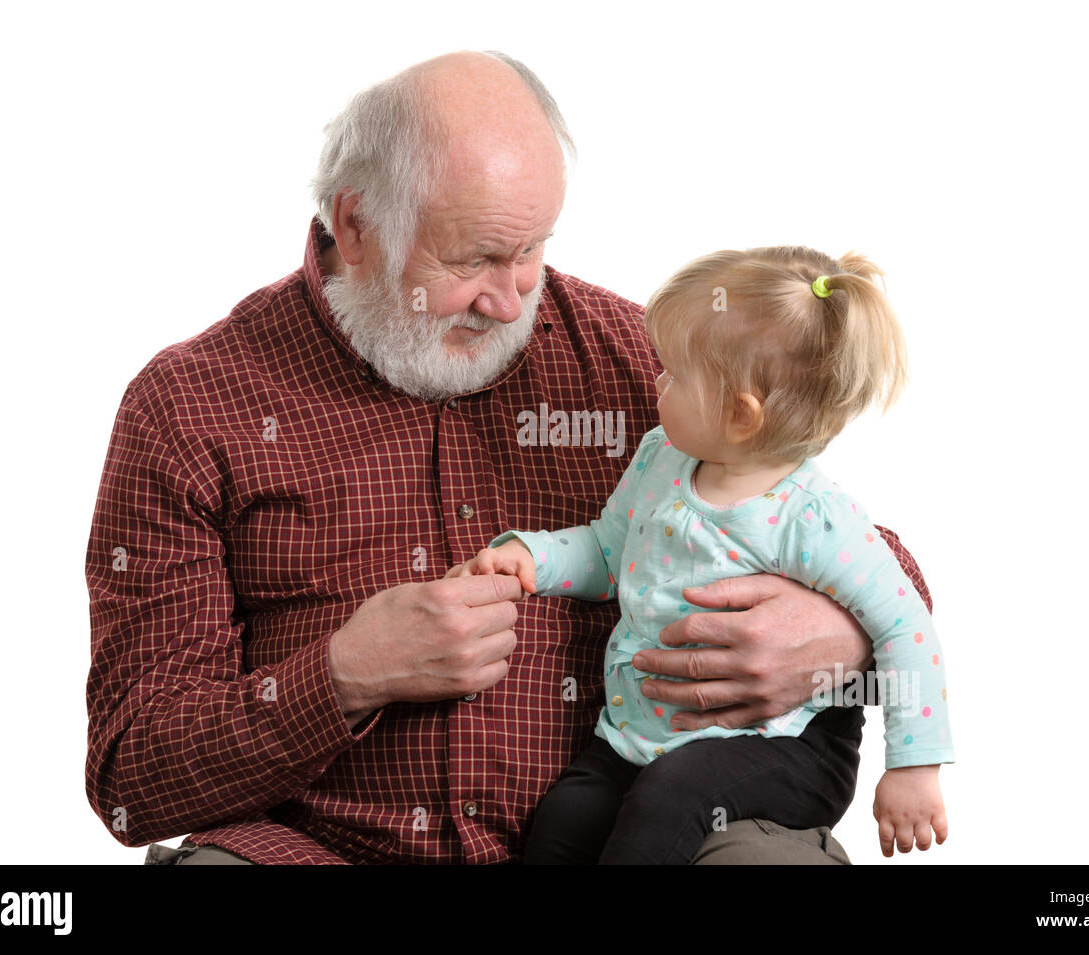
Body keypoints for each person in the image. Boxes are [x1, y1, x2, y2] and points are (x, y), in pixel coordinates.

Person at [85, 50, 933, 865]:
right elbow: (133, 775)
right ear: (357, 222)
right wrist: (344, 675)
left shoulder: (644, 366)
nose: (511, 295)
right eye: (475, 258)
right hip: (316, 851)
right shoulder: (188, 406)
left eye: (532, 248)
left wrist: (835, 636)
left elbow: (858, 553)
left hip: (638, 831)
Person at [450, 246, 953, 863]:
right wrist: (532, 557)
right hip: (644, 734)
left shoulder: (812, 516)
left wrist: (914, 766)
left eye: (675, 375)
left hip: (783, 748)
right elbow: (609, 553)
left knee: (672, 798)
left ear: (740, 416)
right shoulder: (662, 457)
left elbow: (907, 629)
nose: (656, 382)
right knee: (568, 817)